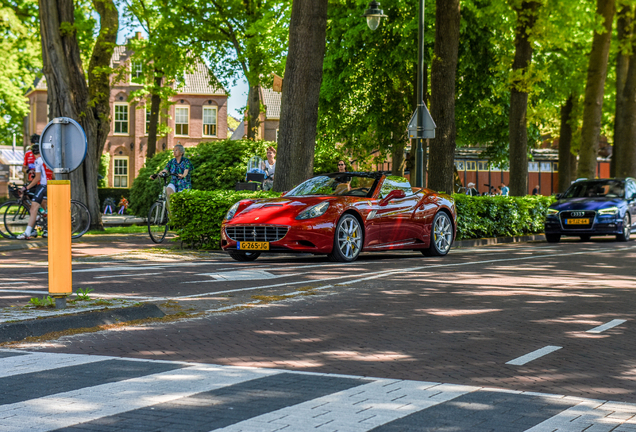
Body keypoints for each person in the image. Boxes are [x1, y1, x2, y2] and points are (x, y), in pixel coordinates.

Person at [17, 144, 50, 239]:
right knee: (44, 206)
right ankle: (44, 224)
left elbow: (37, 179)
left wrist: (26, 188)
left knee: (33, 209)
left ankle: (27, 233)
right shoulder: (47, 159)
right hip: (51, 184)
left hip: (43, 185)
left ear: (32, 153)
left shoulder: (38, 161)